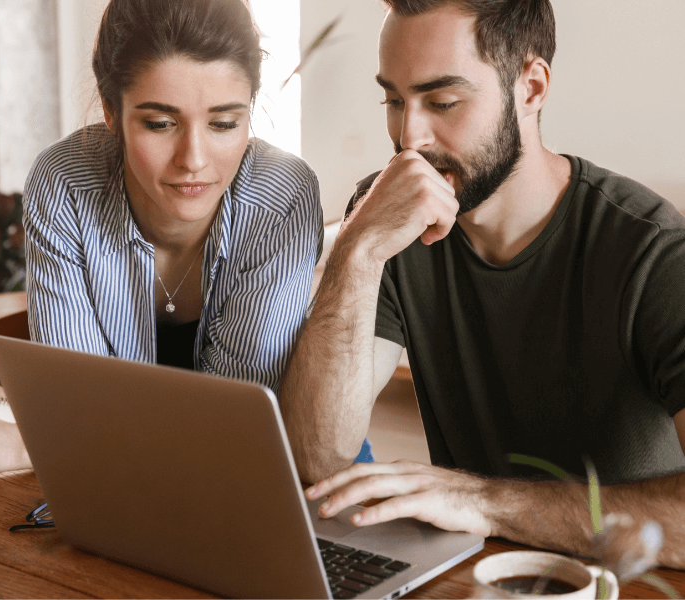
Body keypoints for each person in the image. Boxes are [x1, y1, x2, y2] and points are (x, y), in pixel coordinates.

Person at [280, 0, 685, 569]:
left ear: (532, 87)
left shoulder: (652, 249)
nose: (408, 136)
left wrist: (489, 502)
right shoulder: (389, 218)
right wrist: (358, 248)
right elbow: (315, 457)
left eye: (441, 101)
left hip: (622, 582)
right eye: (393, 100)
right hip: (469, 574)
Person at [0, 0, 323, 475]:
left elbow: (232, 428)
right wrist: (68, 434)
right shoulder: (67, 183)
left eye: (224, 123)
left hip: (268, 477)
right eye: (160, 123)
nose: (194, 159)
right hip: (118, 486)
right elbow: (75, 402)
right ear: (110, 110)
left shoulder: (282, 198)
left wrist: (28, 448)